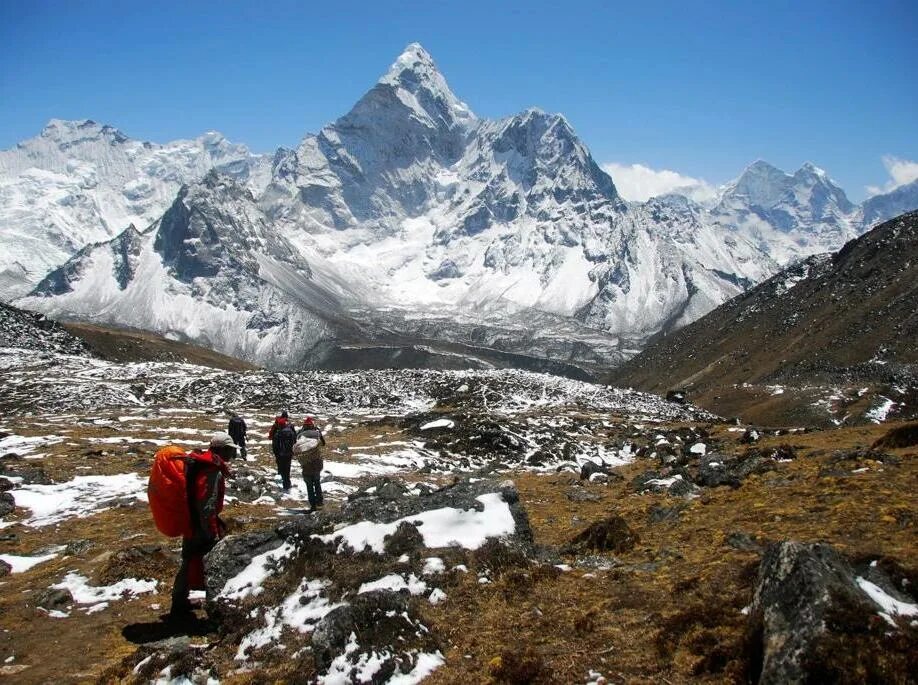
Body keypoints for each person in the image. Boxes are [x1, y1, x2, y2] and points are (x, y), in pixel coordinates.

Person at [170, 432, 236, 620]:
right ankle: (212, 604)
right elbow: (207, 502)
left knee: (188, 560)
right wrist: (211, 530)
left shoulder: (201, 464)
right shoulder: (211, 470)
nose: (232, 455)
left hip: (191, 521)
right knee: (210, 563)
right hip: (202, 526)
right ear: (222, 449)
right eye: (230, 450)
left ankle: (179, 601)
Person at [296, 416, 327, 510]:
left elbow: (296, 449)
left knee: (309, 485)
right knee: (317, 482)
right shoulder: (317, 433)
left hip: (306, 464)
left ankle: (313, 505)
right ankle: (320, 502)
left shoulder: (300, 435)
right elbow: (323, 443)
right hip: (317, 463)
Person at [271, 413, 297, 490]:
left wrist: (276, 455)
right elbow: (294, 441)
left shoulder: (278, 434)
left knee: (281, 468)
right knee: (287, 468)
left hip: (280, 455)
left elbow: (275, 446)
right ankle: (287, 484)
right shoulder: (291, 432)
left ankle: (284, 483)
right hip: (289, 454)